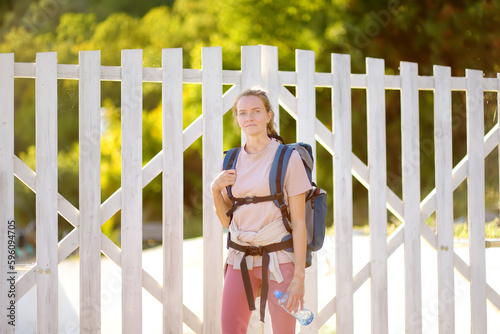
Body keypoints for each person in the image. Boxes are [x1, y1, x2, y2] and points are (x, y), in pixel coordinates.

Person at [211, 87, 312, 333]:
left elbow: (299, 223)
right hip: (239, 261)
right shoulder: (231, 160)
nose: (249, 118)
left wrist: (299, 278)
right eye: (242, 113)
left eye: (256, 111)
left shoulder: (288, 158)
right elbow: (228, 223)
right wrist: (215, 190)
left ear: (268, 115)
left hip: (279, 261)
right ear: (237, 119)